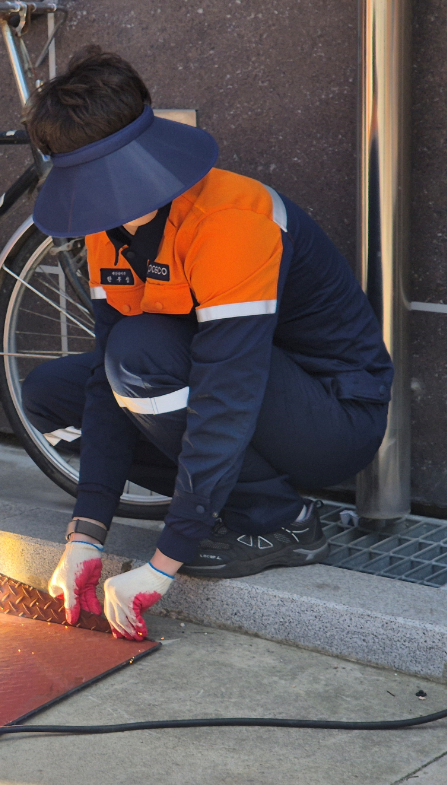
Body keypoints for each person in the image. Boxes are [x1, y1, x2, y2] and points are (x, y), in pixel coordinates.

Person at [22, 48, 392, 641]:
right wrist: (86, 533)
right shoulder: (104, 228)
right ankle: (244, 493)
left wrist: (165, 562)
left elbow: (228, 392)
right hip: (233, 386)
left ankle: (280, 519)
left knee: (140, 356)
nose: (107, 197)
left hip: (332, 417)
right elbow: (104, 388)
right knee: (49, 395)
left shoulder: (230, 219)